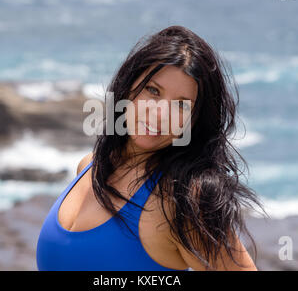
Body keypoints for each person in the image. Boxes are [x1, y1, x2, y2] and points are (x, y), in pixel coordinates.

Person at [36, 25, 265, 271]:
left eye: (181, 105)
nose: (159, 114)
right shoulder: (89, 165)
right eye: (153, 91)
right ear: (128, 88)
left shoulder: (184, 201)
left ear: (195, 122)